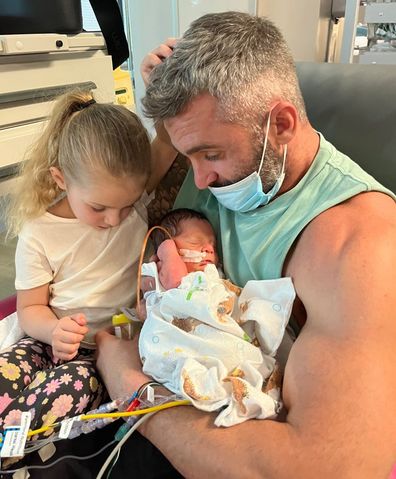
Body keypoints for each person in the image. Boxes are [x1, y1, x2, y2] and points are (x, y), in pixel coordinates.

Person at [95, 11, 396, 478]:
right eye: (187, 153)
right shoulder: (211, 154)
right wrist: (165, 128)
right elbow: (117, 207)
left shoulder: (360, 247)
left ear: (281, 124)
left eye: (211, 154)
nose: (200, 179)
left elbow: (323, 468)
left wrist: (128, 384)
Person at [0, 90, 152, 437]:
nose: (115, 220)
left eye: (126, 206)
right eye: (98, 208)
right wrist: (53, 331)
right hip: (45, 338)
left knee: (65, 392)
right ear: (61, 180)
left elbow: (167, 142)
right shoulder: (39, 231)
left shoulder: (134, 200)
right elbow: (31, 308)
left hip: (101, 353)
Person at [139, 208, 294, 427]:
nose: (208, 249)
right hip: (187, 339)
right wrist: (167, 251)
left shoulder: (211, 275)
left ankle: (242, 380)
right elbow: (173, 283)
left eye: (212, 244)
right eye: (196, 243)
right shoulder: (166, 271)